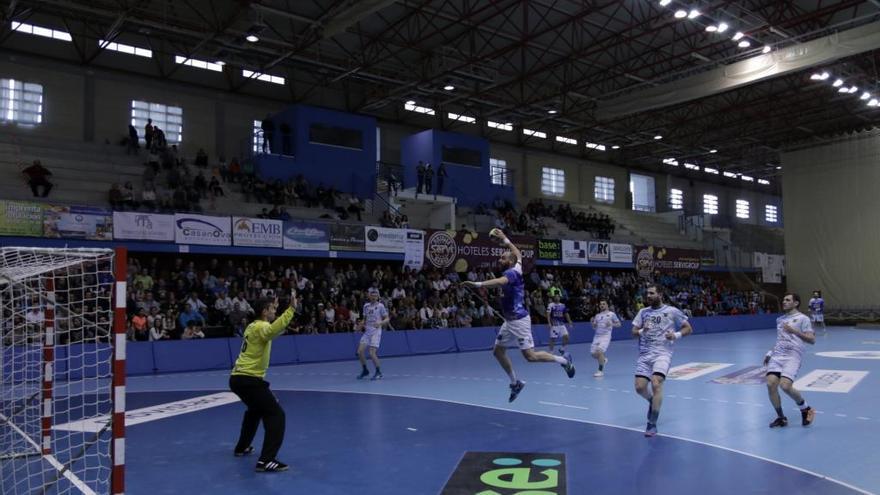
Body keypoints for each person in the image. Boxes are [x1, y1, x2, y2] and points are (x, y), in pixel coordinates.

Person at [461, 228, 574, 403]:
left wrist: (477, 284)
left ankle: (564, 360)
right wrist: (505, 238)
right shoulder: (518, 265)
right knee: (498, 351)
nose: (500, 259)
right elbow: (517, 252)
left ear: (510, 261)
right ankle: (516, 383)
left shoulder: (511, 273)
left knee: (530, 357)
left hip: (519, 321)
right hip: (509, 321)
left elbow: (499, 282)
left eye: (503, 257)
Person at [229, 291, 297, 473]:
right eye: (273, 308)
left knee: (255, 410)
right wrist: (291, 310)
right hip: (249, 379)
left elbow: (272, 332)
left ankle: (242, 447)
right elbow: (271, 330)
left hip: (238, 378)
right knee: (276, 415)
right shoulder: (262, 326)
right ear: (265, 311)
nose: (275, 311)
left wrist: (281, 322)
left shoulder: (252, 326)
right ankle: (266, 460)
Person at [631, 285, 693, 437]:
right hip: (645, 354)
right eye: (647, 293)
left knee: (656, 382)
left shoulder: (672, 311)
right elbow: (633, 333)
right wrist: (641, 331)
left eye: (652, 293)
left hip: (663, 353)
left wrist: (676, 335)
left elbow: (688, 328)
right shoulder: (643, 312)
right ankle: (652, 401)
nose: (648, 296)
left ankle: (652, 423)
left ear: (660, 294)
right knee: (639, 388)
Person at [764, 293, 816, 428]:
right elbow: (780, 339)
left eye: (787, 300)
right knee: (770, 384)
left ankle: (806, 409)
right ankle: (781, 418)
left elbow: (812, 340)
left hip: (793, 355)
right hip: (778, 355)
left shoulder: (803, 319)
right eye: (783, 299)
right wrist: (770, 352)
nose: (784, 302)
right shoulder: (780, 319)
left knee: (785, 386)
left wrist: (794, 331)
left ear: (796, 303)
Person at [356, 287, 389, 380]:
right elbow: (365, 319)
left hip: (376, 331)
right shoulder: (366, 306)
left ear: (378, 296)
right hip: (367, 331)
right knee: (360, 352)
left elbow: (387, 319)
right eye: (372, 295)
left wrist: (380, 323)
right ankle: (365, 370)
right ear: (369, 296)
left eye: (375, 295)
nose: (374, 297)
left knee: (371, 353)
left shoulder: (380, 306)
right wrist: (360, 325)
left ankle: (378, 372)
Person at [590, 299, 621, 377]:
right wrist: (592, 323)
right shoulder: (597, 316)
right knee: (593, 354)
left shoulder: (612, 314)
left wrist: (611, 324)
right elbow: (594, 327)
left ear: (607, 305)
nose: (602, 305)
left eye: (604, 304)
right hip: (597, 336)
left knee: (599, 351)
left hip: (605, 336)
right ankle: (603, 360)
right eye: (601, 304)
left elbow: (619, 324)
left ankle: (600, 371)